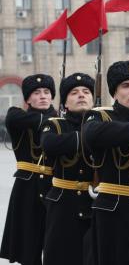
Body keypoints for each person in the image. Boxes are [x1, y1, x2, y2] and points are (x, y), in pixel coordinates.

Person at [82, 61, 129, 265]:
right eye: (126, 86)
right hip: (113, 212)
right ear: (115, 92)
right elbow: (92, 135)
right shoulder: (100, 116)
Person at [0, 74, 57, 265]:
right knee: (28, 247)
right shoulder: (19, 116)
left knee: (56, 244)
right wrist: (51, 121)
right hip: (27, 187)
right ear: (27, 99)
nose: (42, 96)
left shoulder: (60, 118)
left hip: (55, 186)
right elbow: (15, 118)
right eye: (36, 92)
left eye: (47, 92)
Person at [40, 73, 95, 265]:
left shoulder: (106, 124)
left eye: (86, 91)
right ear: (65, 104)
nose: (81, 95)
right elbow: (51, 144)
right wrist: (92, 136)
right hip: (63, 205)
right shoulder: (55, 125)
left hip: (95, 205)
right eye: (74, 92)